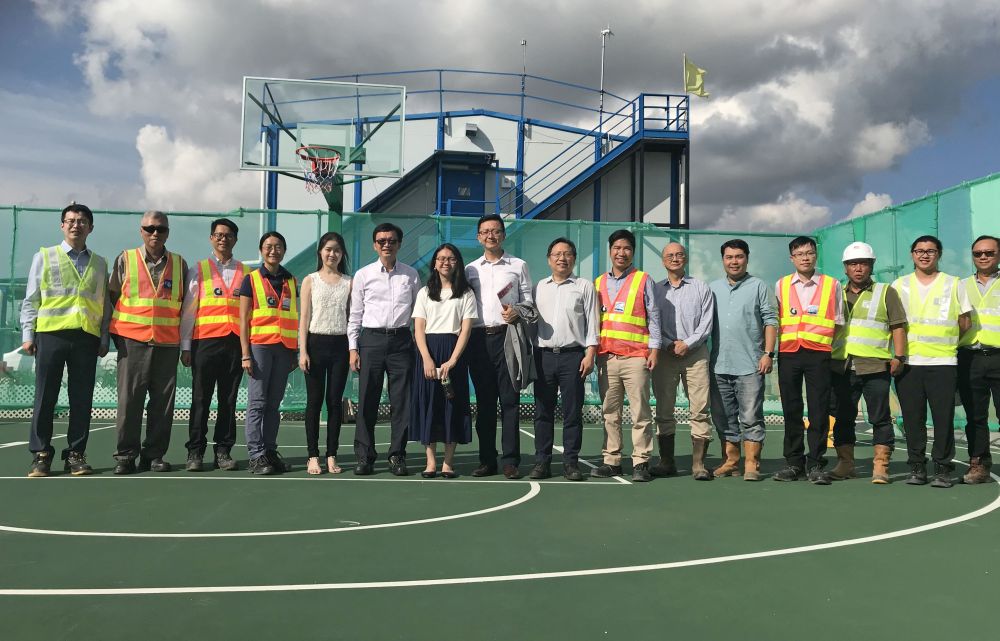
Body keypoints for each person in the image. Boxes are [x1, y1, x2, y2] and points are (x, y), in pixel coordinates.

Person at [21, 203, 111, 477]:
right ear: (62, 225)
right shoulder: (45, 256)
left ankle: (75, 454)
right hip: (51, 334)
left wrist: (104, 336)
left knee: (81, 398)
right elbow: (31, 298)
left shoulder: (99, 262)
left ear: (90, 227)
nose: (76, 225)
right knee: (45, 396)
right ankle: (41, 454)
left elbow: (104, 305)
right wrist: (28, 334)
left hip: (86, 338)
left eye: (82, 221)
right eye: (70, 220)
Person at [109, 210, 188, 474]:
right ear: (141, 230)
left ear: (168, 232)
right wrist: (117, 335)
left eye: (161, 229)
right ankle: (125, 456)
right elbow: (112, 297)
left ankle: (154, 455)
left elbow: (183, 305)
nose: (155, 233)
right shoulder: (125, 259)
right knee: (129, 400)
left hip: (166, 343)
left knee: (162, 403)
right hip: (132, 341)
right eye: (150, 228)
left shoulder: (179, 264)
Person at [892, 235, 971, 488]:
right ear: (912, 254)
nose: (925, 255)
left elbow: (965, 322)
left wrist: (946, 343)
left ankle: (942, 469)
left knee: (943, 418)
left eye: (931, 250)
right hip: (909, 363)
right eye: (919, 250)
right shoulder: (899, 285)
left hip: (944, 362)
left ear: (939, 254)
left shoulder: (954, 284)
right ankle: (917, 467)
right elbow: (893, 324)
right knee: (913, 419)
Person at [829, 242, 907, 484]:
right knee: (843, 417)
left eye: (863, 263)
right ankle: (845, 464)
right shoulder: (836, 293)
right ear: (845, 268)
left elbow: (898, 326)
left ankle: (881, 466)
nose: (858, 268)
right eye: (853, 264)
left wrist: (899, 357)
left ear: (871, 266)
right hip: (842, 366)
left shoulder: (886, 292)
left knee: (880, 418)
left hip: (875, 366)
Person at [465, 214, 534, 479]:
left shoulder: (518, 265)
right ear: (478, 237)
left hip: (509, 337)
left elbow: (529, 300)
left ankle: (510, 461)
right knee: (484, 404)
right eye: (485, 231)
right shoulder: (471, 269)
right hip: (479, 341)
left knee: (510, 402)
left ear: (503, 235)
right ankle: (486, 460)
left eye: (495, 231)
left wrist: (516, 311)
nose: (490, 235)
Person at [348, 222, 419, 476]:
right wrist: (353, 349)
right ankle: (365, 456)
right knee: (368, 399)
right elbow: (355, 315)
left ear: (399, 244)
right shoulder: (363, 275)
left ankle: (397, 455)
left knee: (402, 402)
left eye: (391, 240)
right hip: (371, 342)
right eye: (381, 241)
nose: (386, 244)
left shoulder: (411, 274)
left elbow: (416, 313)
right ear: (374, 245)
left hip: (401, 342)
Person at [179, 218, 248, 472]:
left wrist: (246, 349)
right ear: (211, 238)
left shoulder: (246, 272)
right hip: (204, 343)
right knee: (200, 399)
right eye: (218, 235)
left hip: (234, 344)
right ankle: (195, 452)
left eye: (228, 235)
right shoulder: (198, 269)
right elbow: (189, 309)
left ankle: (223, 451)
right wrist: (185, 345)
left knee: (228, 400)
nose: (223, 239)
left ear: (235, 240)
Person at [773, 236, 844, 484]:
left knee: (819, 410)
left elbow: (839, 322)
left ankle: (815, 463)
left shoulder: (832, 285)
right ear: (791, 258)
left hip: (819, 355)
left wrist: (829, 352)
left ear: (816, 256)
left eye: (809, 253)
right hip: (789, 353)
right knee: (791, 410)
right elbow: (775, 321)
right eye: (799, 253)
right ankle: (793, 463)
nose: (805, 257)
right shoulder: (780, 285)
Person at [593, 229, 661, 482]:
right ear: (610, 251)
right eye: (617, 248)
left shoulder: (644, 279)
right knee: (610, 412)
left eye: (627, 248)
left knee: (640, 411)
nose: (621, 253)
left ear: (633, 252)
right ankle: (612, 460)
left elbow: (654, 317)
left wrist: (653, 351)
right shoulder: (598, 282)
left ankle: (641, 461)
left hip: (636, 357)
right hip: (607, 357)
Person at [709, 239, 778, 481]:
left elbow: (771, 320)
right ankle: (731, 461)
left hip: (750, 365)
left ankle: (752, 464)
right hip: (718, 365)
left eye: (739, 256)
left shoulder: (759, 286)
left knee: (751, 417)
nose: (734, 261)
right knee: (723, 417)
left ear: (747, 258)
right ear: (723, 260)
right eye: (729, 257)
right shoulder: (713, 288)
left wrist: (768, 354)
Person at [531, 238, 599, 481]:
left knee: (572, 413)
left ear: (574, 258)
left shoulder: (584, 286)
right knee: (542, 412)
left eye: (567, 254)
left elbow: (593, 322)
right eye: (557, 254)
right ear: (549, 259)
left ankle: (571, 463)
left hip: (573, 357)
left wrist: (590, 353)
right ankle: (542, 462)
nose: (562, 258)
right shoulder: (539, 287)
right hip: (543, 357)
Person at [410, 243, 477, 478]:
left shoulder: (466, 293)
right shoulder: (425, 292)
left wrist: (453, 360)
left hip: (453, 353)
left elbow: (466, 329)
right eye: (440, 258)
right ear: (434, 263)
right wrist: (427, 359)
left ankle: (448, 463)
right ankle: (430, 462)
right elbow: (419, 328)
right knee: (429, 404)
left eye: (450, 258)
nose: (445, 262)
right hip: (428, 351)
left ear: (457, 262)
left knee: (452, 405)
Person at [650, 242, 714, 481]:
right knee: (664, 410)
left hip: (696, 355)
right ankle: (666, 461)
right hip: (665, 355)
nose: (675, 258)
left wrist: (688, 343)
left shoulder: (701, 287)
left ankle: (699, 465)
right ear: (663, 260)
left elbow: (707, 323)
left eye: (679, 255)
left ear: (685, 258)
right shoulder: (655, 290)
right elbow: (651, 322)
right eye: (670, 255)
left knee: (699, 409)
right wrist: (668, 343)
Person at [239, 231, 298, 475]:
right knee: (258, 403)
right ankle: (256, 454)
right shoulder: (250, 279)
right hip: (260, 347)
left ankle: (270, 451)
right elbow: (243, 319)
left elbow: (294, 316)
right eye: (268, 246)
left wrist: (294, 351)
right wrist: (245, 354)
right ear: (261, 250)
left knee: (274, 404)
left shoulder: (291, 280)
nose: (273, 250)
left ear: (284, 250)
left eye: (278, 246)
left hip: (284, 349)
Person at [298, 231, 352, 475]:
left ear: (342, 254)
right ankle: (312, 455)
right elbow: (304, 318)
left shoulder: (349, 282)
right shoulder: (310, 280)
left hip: (340, 345)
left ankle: (332, 454)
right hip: (315, 344)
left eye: (337, 250)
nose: (332, 254)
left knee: (334, 403)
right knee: (314, 402)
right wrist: (303, 351)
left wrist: (353, 349)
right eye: (328, 249)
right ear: (320, 252)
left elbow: (352, 318)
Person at [957, 235, 1000, 484]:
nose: (983, 257)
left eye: (988, 253)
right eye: (977, 253)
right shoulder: (960, 286)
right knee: (975, 415)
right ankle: (979, 464)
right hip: (970, 357)